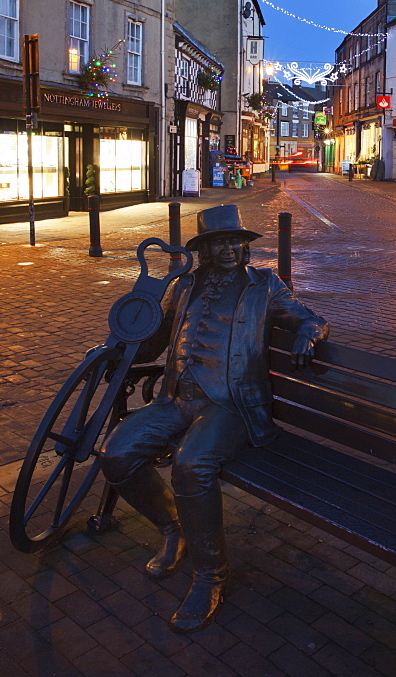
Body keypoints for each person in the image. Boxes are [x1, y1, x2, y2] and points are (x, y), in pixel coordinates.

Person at [99, 204, 329, 633]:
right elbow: (155, 341)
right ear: (204, 249)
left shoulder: (264, 285)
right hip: (175, 398)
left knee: (191, 464)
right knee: (115, 453)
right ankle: (174, 529)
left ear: (245, 247)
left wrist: (307, 333)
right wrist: (120, 346)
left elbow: (310, 318)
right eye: (218, 242)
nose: (229, 249)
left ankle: (210, 576)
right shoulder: (185, 285)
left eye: (235, 242)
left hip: (232, 404)